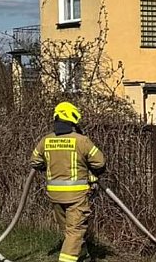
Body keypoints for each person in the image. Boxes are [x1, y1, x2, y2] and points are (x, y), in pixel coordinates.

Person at [30, 102, 105, 262]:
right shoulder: (82, 141)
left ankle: (83, 257)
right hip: (76, 196)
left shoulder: (46, 140)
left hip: (55, 196)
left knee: (70, 233)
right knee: (75, 232)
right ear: (73, 119)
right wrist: (89, 171)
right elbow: (100, 163)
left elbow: (35, 161)